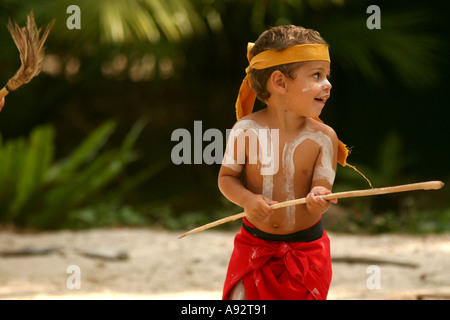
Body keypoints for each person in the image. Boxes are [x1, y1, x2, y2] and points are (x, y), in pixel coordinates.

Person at [218, 25, 351, 300]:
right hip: (254, 246)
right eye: (316, 75)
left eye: (326, 75)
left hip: (306, 251)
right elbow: (226, 178)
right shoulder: (245, 130)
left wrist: (318, 197)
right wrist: (247, 200)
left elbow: (321, 188)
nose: (328, 84)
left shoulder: (324, 138)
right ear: (279, 82)